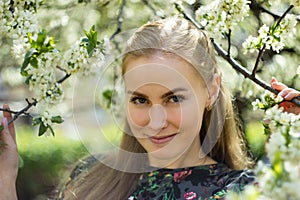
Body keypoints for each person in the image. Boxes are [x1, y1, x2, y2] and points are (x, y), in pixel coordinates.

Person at [1, 17, 300, 200]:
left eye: (174, 99)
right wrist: (5, 178)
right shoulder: (92, 179)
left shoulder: (249, 191)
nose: (155, 122)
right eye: (140, 100)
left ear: (210, 90)